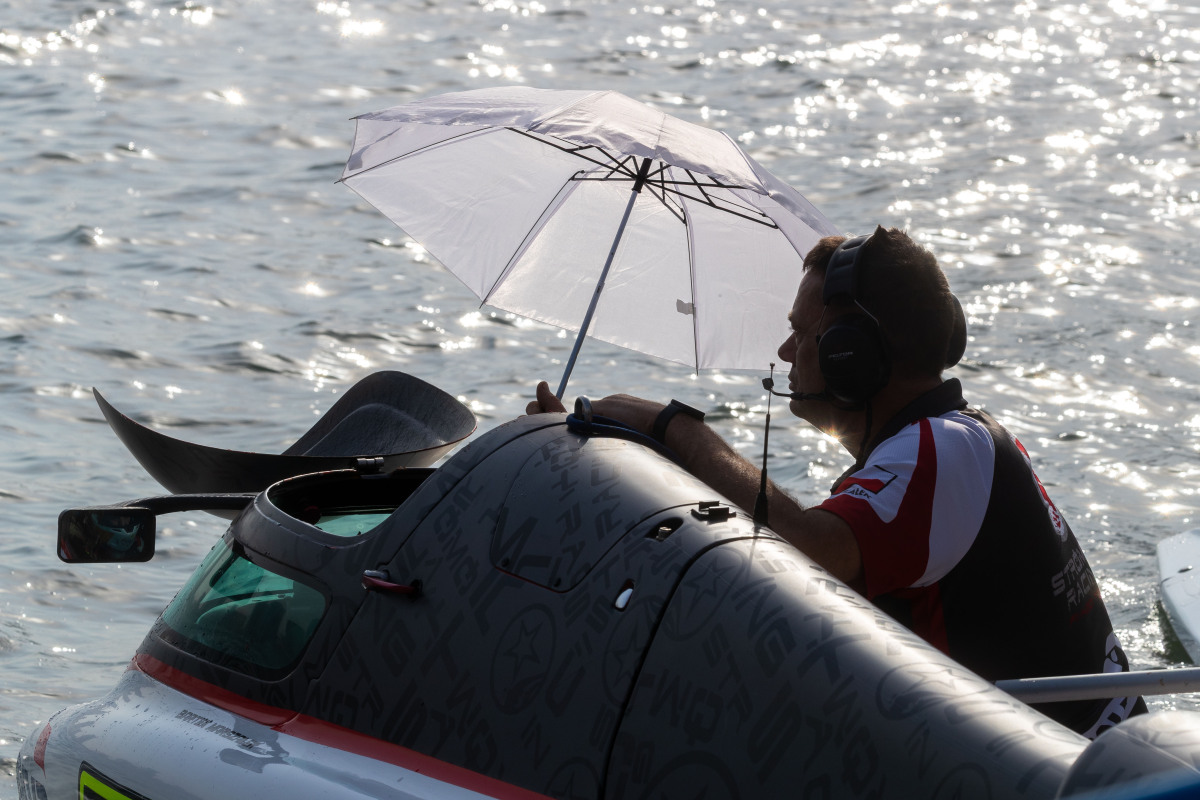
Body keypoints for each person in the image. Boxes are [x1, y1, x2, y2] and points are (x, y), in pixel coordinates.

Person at [526, 225, 1146, 739]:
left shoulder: (941, 448)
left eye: (803, 332)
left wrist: (674, 427)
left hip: (1066, 775)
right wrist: (618, 454)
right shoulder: (945, 442)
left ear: (853, 353)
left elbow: (810, 553)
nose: (785, 350)